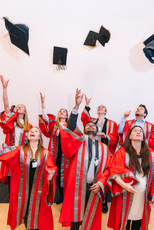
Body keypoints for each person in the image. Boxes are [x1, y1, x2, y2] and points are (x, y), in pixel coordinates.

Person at [0, 126, 57, 230]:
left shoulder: (46, 153)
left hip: (39, 191)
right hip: (23, 191)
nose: (32, 131)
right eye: (31, 131)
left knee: (39, 217)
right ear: (28, 136)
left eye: (36, 131)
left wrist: (51, 174)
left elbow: (51, 167)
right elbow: (3, 152)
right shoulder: (20, 150)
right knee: (26, 212)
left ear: (39, 138)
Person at [59, 89, 111, 230]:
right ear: (84, 129)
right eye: (88, 125)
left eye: (93, 125)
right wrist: (76, 106)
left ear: (97, 130)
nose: (90, 125)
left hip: (95, 185)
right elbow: (69, 128)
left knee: (92, 215)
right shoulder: (78, 141)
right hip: (77, 185)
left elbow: (108, 169)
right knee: (76, 216)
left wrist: (101, 183)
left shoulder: (104, 149)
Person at [108, 125, 154, 230]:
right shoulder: (122, 152)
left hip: (142, 196)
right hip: (125, 194)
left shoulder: (150, 154)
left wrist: (153, 195)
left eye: (141, 131)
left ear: (143, 137)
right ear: (130, 136)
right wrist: (124, 185)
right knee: (124, 221)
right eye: (135, 130)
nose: (138, 132)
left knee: (138, 221)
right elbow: (114, 170)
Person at [39, 92, 82, 204]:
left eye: (64, 112)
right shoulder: (54, 126)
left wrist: (76, 105)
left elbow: (75, 137)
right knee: (56, 174)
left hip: (66, 155)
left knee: (66, 175)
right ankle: (57, 194)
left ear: (67, 116)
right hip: (54, 154)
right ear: (58, 115)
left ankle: (65, 194)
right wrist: (43, 104)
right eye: (60, 112)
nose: (62, 113)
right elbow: (45, 118)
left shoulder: (70, 127)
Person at [81, 96, 118, 213]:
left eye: (103, 107)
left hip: (105, 152)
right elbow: (84, 120)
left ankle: (103, 201)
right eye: (99, 107)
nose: (100, 108)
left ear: (106, 112)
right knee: (92, 176)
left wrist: (106, 136)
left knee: (103, 176)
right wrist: (87, 105)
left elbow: (116, 136)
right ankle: (87, 201)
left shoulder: (112, 123)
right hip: (91, 151)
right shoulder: (92, 121)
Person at [0, 75, 32, 186]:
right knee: (12, 179)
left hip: (23, 154)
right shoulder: (11, 122)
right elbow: (6, 104)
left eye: (21, 106)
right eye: (17, 106)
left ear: (25, 111)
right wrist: (4, 88)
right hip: (12, 153)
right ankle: (12, 201)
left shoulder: (29, 126)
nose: (18, 107)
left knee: (22, 180)